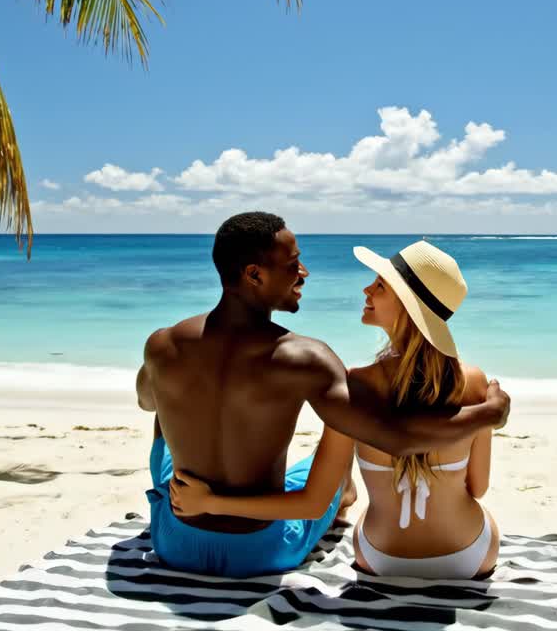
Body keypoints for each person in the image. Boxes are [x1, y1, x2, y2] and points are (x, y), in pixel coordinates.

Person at [136, 213, 509, 578]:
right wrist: (488, 414)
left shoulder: (161, 344)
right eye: (294, 264)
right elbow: (397, 438)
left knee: (165, 419)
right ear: (254, 274)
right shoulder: (306, 359)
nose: (304, 273)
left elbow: (147, 401)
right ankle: (344, 492)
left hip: (175, 543)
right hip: (260, 551)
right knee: (339, 434)